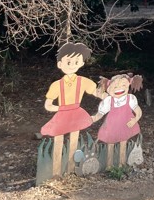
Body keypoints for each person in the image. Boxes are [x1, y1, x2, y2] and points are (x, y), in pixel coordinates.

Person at [41, 42, 104, 176]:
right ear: (60, 65)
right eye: (69, 62)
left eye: (76, 62)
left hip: (76, 114)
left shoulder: (83, 81)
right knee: (58, 140)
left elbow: (97, 92)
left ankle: (70, 170)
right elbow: (48, 104)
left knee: (74, 141)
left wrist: (110, 97)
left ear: (81, 63)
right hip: (62, 115)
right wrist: (60, 108)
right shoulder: (57, 85)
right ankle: (56, 173)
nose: (73, 65)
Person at [93, 73, 143, 167]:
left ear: (128, 85)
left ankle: (121, 164)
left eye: (123, 85)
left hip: (125, 125)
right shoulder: (109, 101)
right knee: (110, 144)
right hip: (112, 126)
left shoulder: (130, 99)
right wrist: (94, 118)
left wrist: (135, 120)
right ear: (109, 89)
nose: (119, 88)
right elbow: (101, 113)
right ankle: (109, 165)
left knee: (123, 142)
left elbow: (138, 111)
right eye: (115, 86)